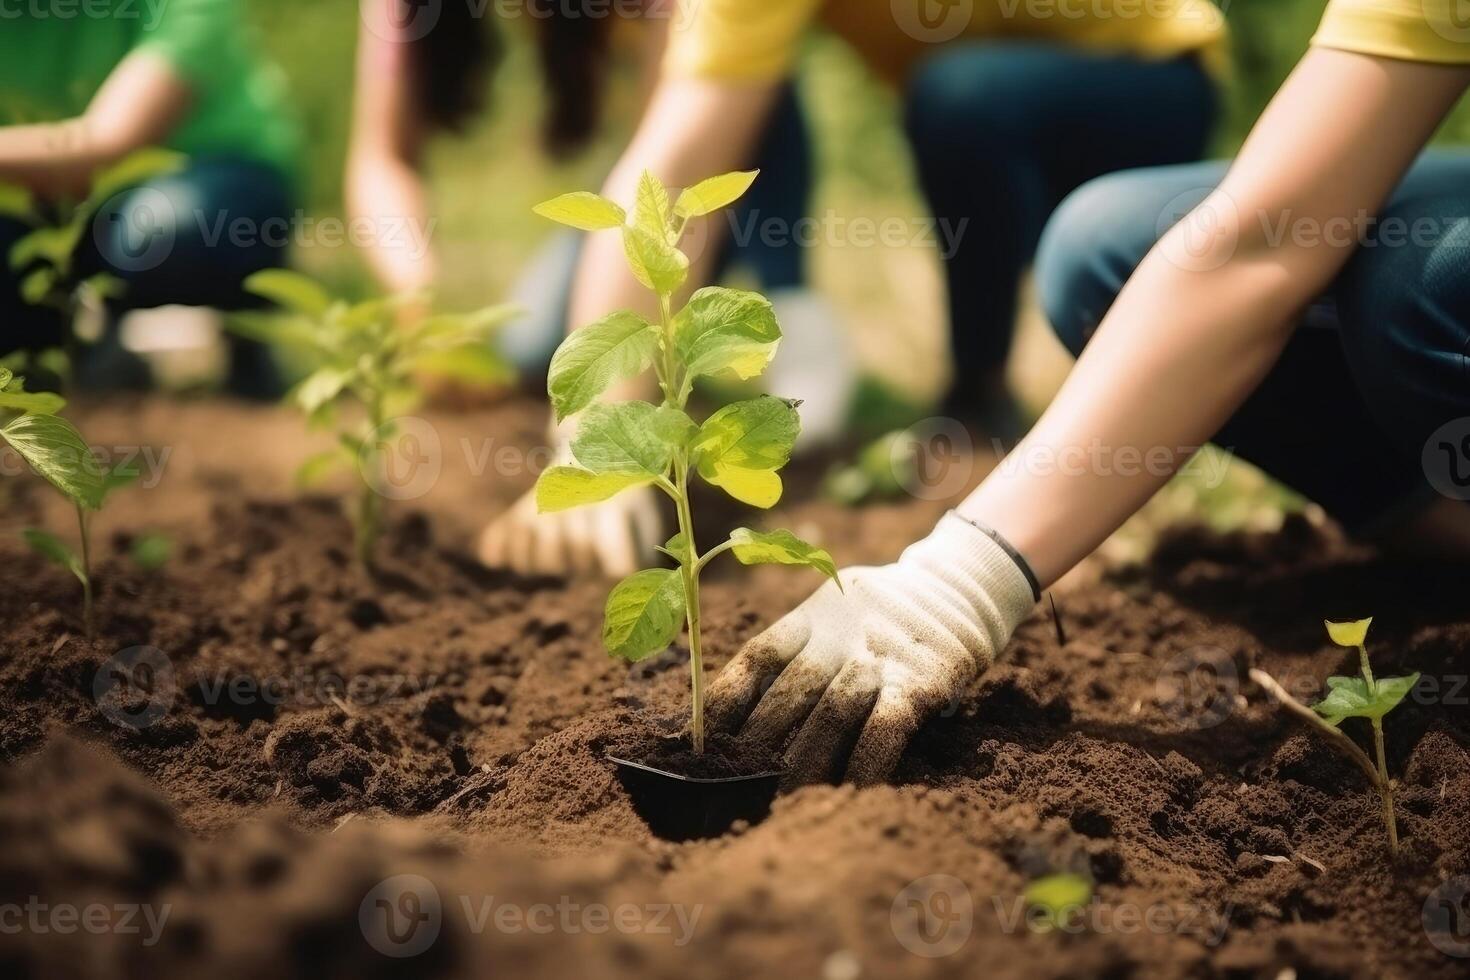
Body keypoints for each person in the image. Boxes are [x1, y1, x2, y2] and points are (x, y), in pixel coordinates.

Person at [702, 0, 1470, 790]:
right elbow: (1269, 231)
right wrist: (957, 579)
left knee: (1427, 295)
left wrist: (960, 584)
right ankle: (1438, 532)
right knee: (1102, 252)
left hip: (1155, 80)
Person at [477, 0, 1229, 577]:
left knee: (960, 96)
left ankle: (979, 391)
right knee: (930, 96)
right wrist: (595, 438)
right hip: (983, 106)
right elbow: (667, 171)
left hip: (1152, 80)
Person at [348, 0, 827, 377]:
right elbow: (378, 159)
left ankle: (790, 307)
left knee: (742, 79)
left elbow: (670, 170)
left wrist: (604, 426)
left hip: (707, 141)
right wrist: (420, 301)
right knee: (533, 351)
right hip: (646, 160)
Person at [0, 0, 302, 398]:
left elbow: (103, 144)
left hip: (206, 176)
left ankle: (210, 337)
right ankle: (73, 348)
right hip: (41, 206)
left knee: (159, 236)